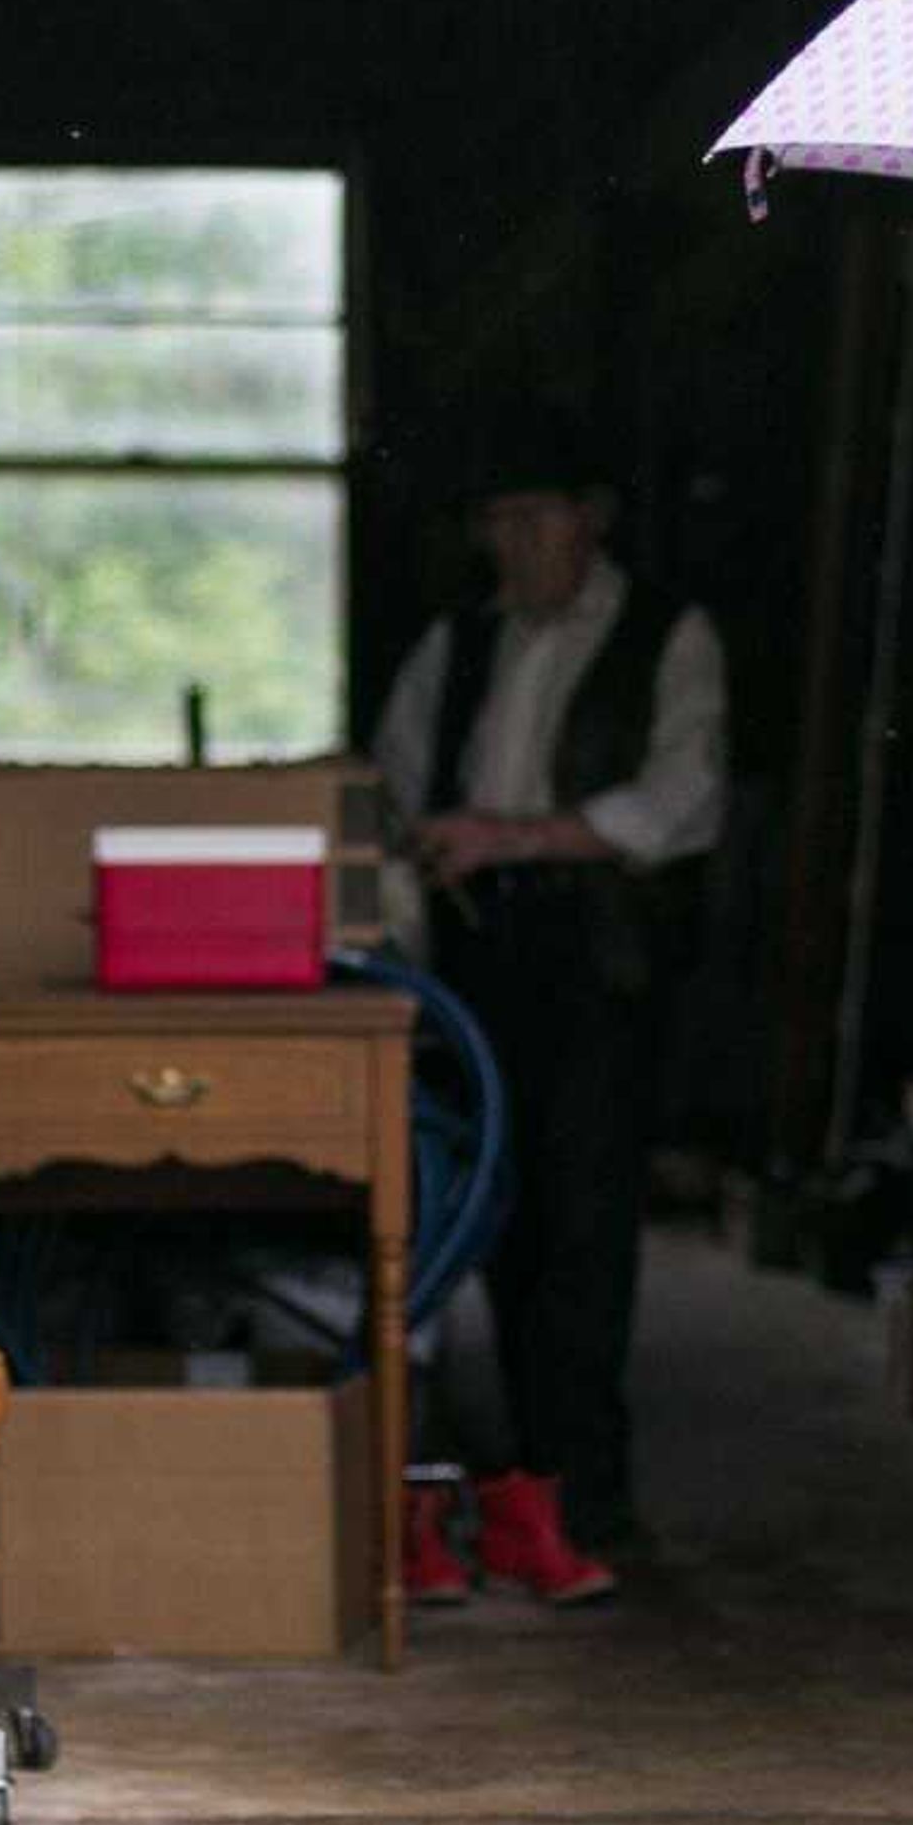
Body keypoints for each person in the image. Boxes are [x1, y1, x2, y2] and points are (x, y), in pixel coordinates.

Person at [374, 427, 726, 1607]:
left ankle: (582, 1492)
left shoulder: (665, 636)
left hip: (594, 953)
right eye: (500, 523)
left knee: (585, 1224)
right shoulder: (457, 644)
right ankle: (507, 1488)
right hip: (478, 950)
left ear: (593, 517)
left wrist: (516, 836)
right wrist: (430, 861)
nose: (517, 545)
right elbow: (399, 779)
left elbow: (680, 804)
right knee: (489, 1219)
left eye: (540, 519)